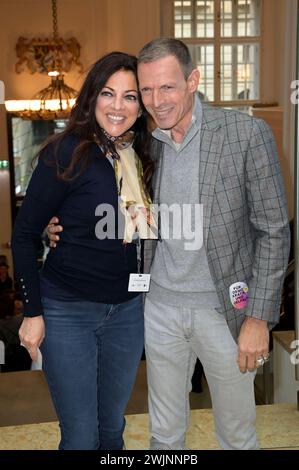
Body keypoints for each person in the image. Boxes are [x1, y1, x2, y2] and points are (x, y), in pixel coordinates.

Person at [47, 38, 290, 450]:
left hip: (225, 312)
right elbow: (93, 195)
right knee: (164, 436)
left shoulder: (245, 134)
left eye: (168, 87)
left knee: (237, 435)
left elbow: (274, 231)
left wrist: (258, 319)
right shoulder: (138, 141)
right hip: (157, 310)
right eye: (146, 90)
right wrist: (55, 225)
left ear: (192, 81)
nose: (156, 101)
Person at [11, 51, 155, 450]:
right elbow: (24, 234)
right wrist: (32, 312)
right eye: (108, 93)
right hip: (67, 311)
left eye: (130, 96)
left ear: (141, 106)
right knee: (80, 436)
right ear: (92, 96)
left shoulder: (141, 154)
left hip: (127, 313)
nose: (118, 106)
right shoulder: (66, 151)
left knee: (112, 430)